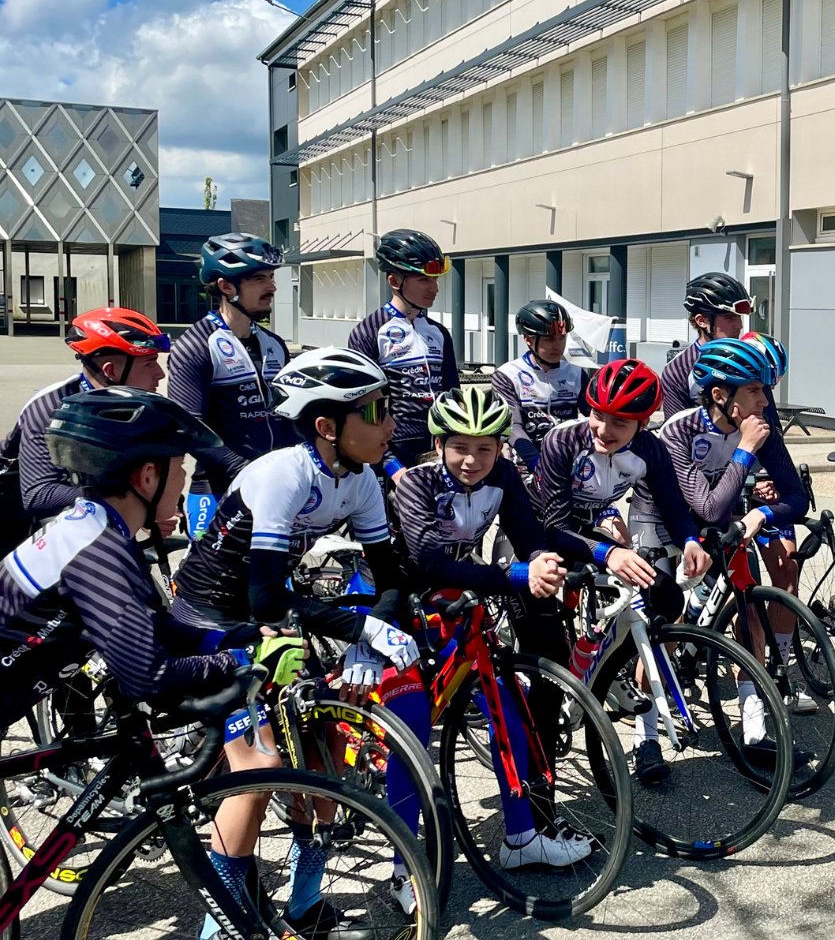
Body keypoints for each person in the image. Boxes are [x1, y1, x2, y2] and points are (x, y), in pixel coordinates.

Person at [171, 347, 420, 931]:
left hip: (271, 621)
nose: (390, 425)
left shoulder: (358, 479)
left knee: (325, 753)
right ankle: (222, 926)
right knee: (261, 768)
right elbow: (264, 599)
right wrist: (359, 625)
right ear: (327, 426)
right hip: (211, 618)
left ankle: (304, 903)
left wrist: (365, 641)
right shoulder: (285, 473)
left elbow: (394, 580)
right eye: (376, 411)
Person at [0, 387, 290, 744]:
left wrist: (225, 639)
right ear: (148, 476)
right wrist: (242, 659)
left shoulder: (91, 526)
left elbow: (151, 624)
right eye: (180, 465)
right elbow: (147, 676)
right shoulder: (97, 551)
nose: (184, 479)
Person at [394, 386, 594, 868]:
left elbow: (528, 535)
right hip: (402, 598)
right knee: (414, 723)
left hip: (460, 597)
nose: (472, 459)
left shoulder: (502, 474)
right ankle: (405, 864)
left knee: (509, 705)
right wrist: (516, 576)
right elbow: (428, 563)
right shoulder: (414, 483)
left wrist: (541, 562)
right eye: (460, 447)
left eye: (485, 447)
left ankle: (521, 839)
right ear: (439, 444)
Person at [536, 358, 712, 784]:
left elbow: (672, 505)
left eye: (619, 422)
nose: (603, 429)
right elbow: (554, 526)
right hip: (540, 529)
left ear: (644, 423)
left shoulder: (649, 449)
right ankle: (541, 717)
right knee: (546, 629)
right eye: (598, 415)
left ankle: (612, 673)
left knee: (664, 596)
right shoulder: (564, 441)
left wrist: (690, 540)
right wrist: (608, 553)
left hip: (592, 525)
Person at [636, 339, 810, 733]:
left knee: (749, 611)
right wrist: (746, 448)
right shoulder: (679, 430)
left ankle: (755, 729)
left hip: (714, 522)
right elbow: (708, 508)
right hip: (660, 520)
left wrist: (762, 514)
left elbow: (796, 498)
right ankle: (644, 736)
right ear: (720, 394)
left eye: (765, 390)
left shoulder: (760, 428)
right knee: (665, 617)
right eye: (754, 390)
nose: (765, 401)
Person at [167, 232, 291, 535]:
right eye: (260, 278)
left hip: (275, 484)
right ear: (226, 286)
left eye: (272, 277)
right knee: (213, 582)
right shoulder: (195, 345)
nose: (272, 287)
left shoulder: (274, 344)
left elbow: (291, 414)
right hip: (218, 488)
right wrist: (241, 468)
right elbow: (188, 427)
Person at [4, 307, 169, 532]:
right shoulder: (50, 407)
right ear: (110, 371)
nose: (160, 373)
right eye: (149, 363)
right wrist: (131, 500)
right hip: (15, 514)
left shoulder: (137, 404)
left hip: (87, 506)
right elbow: (38, 495)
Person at [348, 229, 459, 481]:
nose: (435, 288)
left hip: (439, 446)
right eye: (424, 280)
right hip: (394, 449)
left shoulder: (439, 332)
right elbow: (366, 407)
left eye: (436, 279)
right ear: (394, 281)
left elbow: (453, 393)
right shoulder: (369, 331)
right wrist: (391, 466)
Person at [490, 299, 589, 475]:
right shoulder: (508, 375)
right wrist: (535, 462)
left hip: (568, 464)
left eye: (562, 337)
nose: (558, 345)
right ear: (528, 339)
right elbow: (513, 426)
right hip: (525, 465)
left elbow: (595, 417)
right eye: (549, 339)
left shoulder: (576, 373)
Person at [660, 272, 754, 420]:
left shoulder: (751, 361)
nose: (739, 325)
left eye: (739, 317)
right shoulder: (678, 370)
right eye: (729, 318)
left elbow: (773, 429)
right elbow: (675, 433)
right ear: (701, 321)